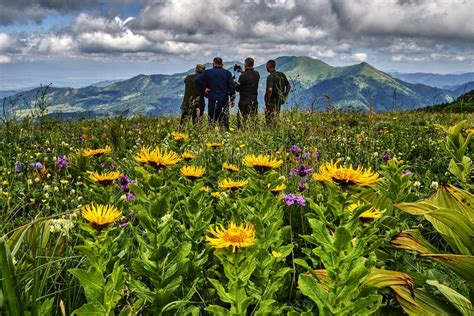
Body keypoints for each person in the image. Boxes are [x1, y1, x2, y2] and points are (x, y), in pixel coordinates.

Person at [196, 57, 236, 131]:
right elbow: (232, 87)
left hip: (212, 98)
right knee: (224, 118)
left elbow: (197, 80)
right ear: (222, 64)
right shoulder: (227, 73)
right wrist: (232, 99)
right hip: (224, 99)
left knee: (211, 118)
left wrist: (204, 88)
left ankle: (211, 132)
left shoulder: (208, 72)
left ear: (213, 64)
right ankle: (224, 132)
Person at [264, 59, 291, 127]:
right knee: (276, 117)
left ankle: (271, 131)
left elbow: (270, 90)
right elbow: (289, 86)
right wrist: (285, 95)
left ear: (268, 66)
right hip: (279, 101)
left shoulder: (270, 76)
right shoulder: (281, 74)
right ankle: (276, 130)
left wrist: (268, 100)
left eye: (266, 66)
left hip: (271, 101)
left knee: (270, 119)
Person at [235, 57, 260, 129]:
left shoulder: (242, 76)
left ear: (245, 64)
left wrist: (235, 83)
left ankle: (241, 131)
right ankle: (254, 131)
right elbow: (250, 76)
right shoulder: (257, 74)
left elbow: (237, 89)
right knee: (254, 119)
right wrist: (243, 72)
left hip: (244, 101)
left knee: (242, 119)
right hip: (254, 100)